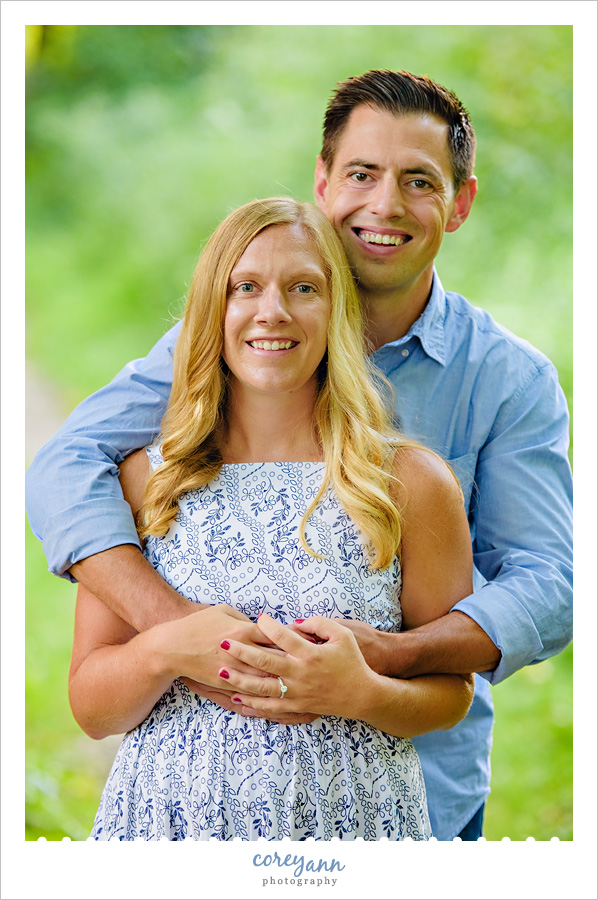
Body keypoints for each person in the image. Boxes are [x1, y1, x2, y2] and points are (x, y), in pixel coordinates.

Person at [26, 70, 573, 841]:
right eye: (361, 174)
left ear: (460, 203)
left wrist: (383, 658)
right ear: (324, 182)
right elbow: (64, 465)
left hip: (410, 798)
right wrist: (180, 632)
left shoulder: (500, 387)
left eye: (418, 180)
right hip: (182, 823)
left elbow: (550, 583)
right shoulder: (231, 338)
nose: (384, 204)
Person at [69, 197, 474, 840]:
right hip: (169, 832)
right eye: (246, 287)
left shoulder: (410, 483)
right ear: (213, 310)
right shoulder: (148, 480)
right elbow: (91, 708)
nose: (273, 311)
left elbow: (451, 693)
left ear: (337, 310)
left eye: (303, 288)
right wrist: (167, 647)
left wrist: (359, 693)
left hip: (353, 832)